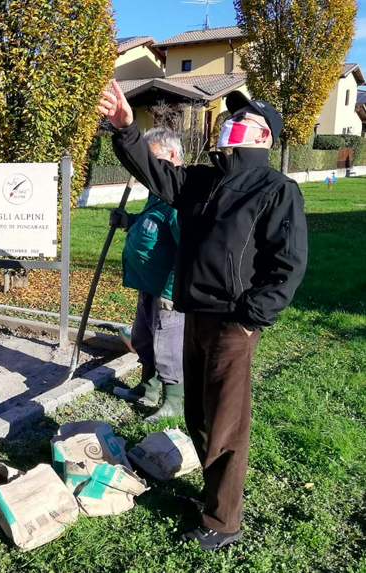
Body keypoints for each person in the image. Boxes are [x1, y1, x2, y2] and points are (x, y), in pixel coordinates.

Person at [98, 82, 307, 550]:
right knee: (199, 414)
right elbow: (154, 171)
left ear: (264, 136)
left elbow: (288, 265)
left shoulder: (276, 189)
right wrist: (127, 129)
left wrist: (250, 318)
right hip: (193, 314)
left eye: (244, 117)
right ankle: (214, 495)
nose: (231, 121)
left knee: (227, 425)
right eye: (232, 115)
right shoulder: (203, 180)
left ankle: (223, 522)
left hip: (232, 323)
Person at [109, 127, 184, 422]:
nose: (146, 167)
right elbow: (152, 224)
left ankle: (173, 402)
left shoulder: (178, 197)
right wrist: (128, 221)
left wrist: (171, 290)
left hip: (167, 290)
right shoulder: (158, 192)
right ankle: (147, 389)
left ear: (172, 155)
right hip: (147, 284)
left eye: (152, 159)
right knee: (143, 337)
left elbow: (186, 248)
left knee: (167, 345)